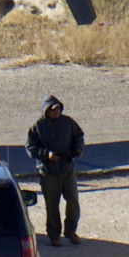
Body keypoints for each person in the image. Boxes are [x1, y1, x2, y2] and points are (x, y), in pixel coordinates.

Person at [26, 94, 85, 246]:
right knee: (52, 204)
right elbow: (30, 148)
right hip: (48, 171)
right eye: (53, 110)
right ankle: (54, 235)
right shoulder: (38, 125)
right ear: (46, 111)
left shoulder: (68, 122)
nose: (56, 112)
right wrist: (47, 154)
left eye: (58, 109)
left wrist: (78, 149)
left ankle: (71, 231)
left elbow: (78, 136)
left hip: (67, 168)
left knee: (73, 200)